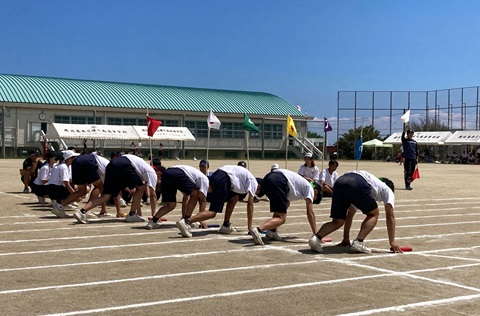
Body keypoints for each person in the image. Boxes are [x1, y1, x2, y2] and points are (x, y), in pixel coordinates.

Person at [308, 170, 402, 254]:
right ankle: (359, 241)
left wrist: (346, 237)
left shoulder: (371, 185)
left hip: (340, 182)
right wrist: (392, 241)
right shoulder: (387, 190)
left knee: (338, 221)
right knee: (374, 214)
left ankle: (316, 238)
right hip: (357, 182)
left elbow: (350, 214)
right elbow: (390, 215)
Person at [176, 165, 261, 237]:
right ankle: (186, 222)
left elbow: (234, 194)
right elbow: (250, 204)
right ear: (259, 187)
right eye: (258, 193)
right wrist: (250, 227)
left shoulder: (243, 180)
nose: (254, 193)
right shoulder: (253, 182)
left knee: (234, 197)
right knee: (213, 212)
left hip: (219, 174)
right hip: (224, 179)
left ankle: (226, 224)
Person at [72, 154, 158, 223]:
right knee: (141, 187)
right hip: (124, 164)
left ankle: (82, 212)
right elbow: (153, 195)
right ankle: (132, 214)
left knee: (106, 195)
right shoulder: (152, 173)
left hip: (112, 165)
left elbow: (137, 192)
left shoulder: (142, 169)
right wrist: (154, 215)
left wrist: (139, 213)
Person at [249, 166, 322, 245]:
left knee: (285, 204)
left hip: (268, 178)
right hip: (279, 181)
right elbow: (310, 213)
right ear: (316, 191)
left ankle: (272, 231)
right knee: (281, 219)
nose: (310, 199)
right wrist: (317, 235)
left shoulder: (301, 185)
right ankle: (258, 230)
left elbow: (285, 203)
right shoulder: (310, 188)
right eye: (314, 198)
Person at [145, 165, 209, 229]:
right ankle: (186, 221)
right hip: (178, 173)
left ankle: (153, 221)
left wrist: (183, 216)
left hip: (166, 174)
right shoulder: (205, 180)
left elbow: (185, 198)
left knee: (171, 205)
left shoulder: (193, 179)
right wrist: (201, 220)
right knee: (195, 194)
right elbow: (203, 201)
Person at [48, 150, 80, 217]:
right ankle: (59, 206)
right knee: (79, 191)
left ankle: (60, 205)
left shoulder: (63, 166)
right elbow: (66, 183)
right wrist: (75, 195)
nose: (74, 159)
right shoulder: (64, 167)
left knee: (75, 187)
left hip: (52, 188)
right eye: (73, 157)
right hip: (55, 190)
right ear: (68, 159)